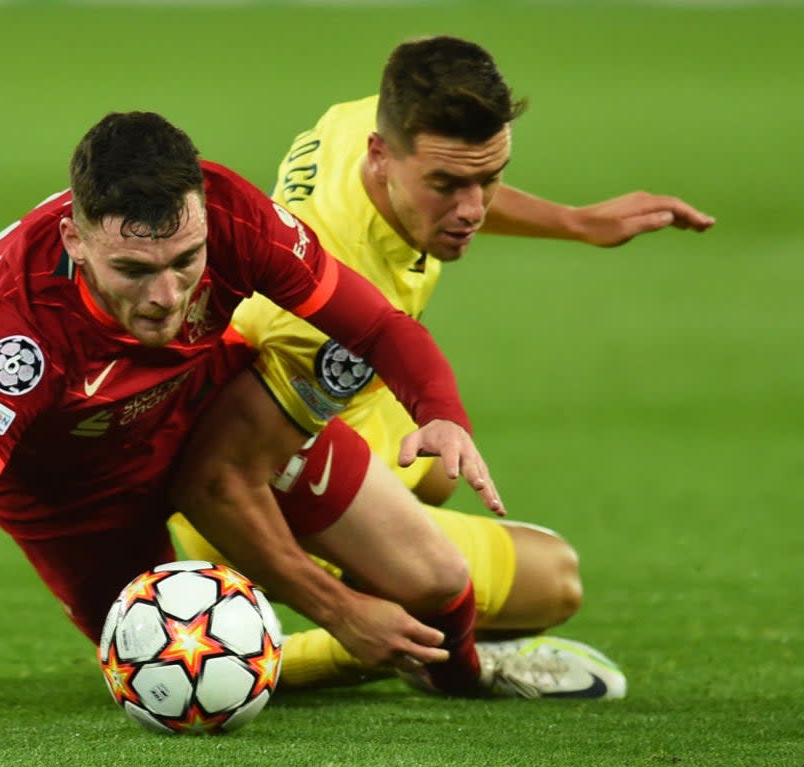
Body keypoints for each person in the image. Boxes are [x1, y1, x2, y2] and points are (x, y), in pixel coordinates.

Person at [0, 110, 513, 748]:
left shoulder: (233, 215)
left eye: (186, 261)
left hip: (203, 409)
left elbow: (376, 326)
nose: (166, 296)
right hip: (76, 495)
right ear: (74, 239)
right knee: (178, 678)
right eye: (133, 270)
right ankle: (340, 646)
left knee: (444, 578)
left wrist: (441, 414)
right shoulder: (17, 337)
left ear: (203, 217)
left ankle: (465, 680)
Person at [169, 35, 714, 692]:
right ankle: (331, 652)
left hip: (312, 404)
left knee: (431, 474)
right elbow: (225, 478)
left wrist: (576, 222)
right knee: (553, 580)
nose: (472, 210)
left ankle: (387, 598)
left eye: (489, 178)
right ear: (382, 157)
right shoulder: (329, 296)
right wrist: (345, 613)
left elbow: (458, 175)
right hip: (246, 495)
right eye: (447, 187)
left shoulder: (369, 119)